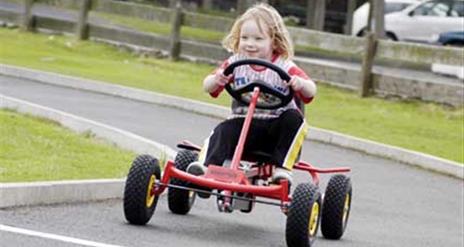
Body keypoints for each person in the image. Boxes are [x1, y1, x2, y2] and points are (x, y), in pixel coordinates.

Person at [186, 3, 317, 197]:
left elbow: (311, 90)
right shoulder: (235, 63)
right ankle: (206, 171)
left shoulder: (285, 66)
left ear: (274, 41)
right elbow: (207, 85)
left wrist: (299, 84)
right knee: (223, 129)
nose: (249, 44)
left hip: (275, 132)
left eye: (258, 39)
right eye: (244, 38)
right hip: (244, 128)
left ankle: (282, 171)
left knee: (294, 119)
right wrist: (217, 80)